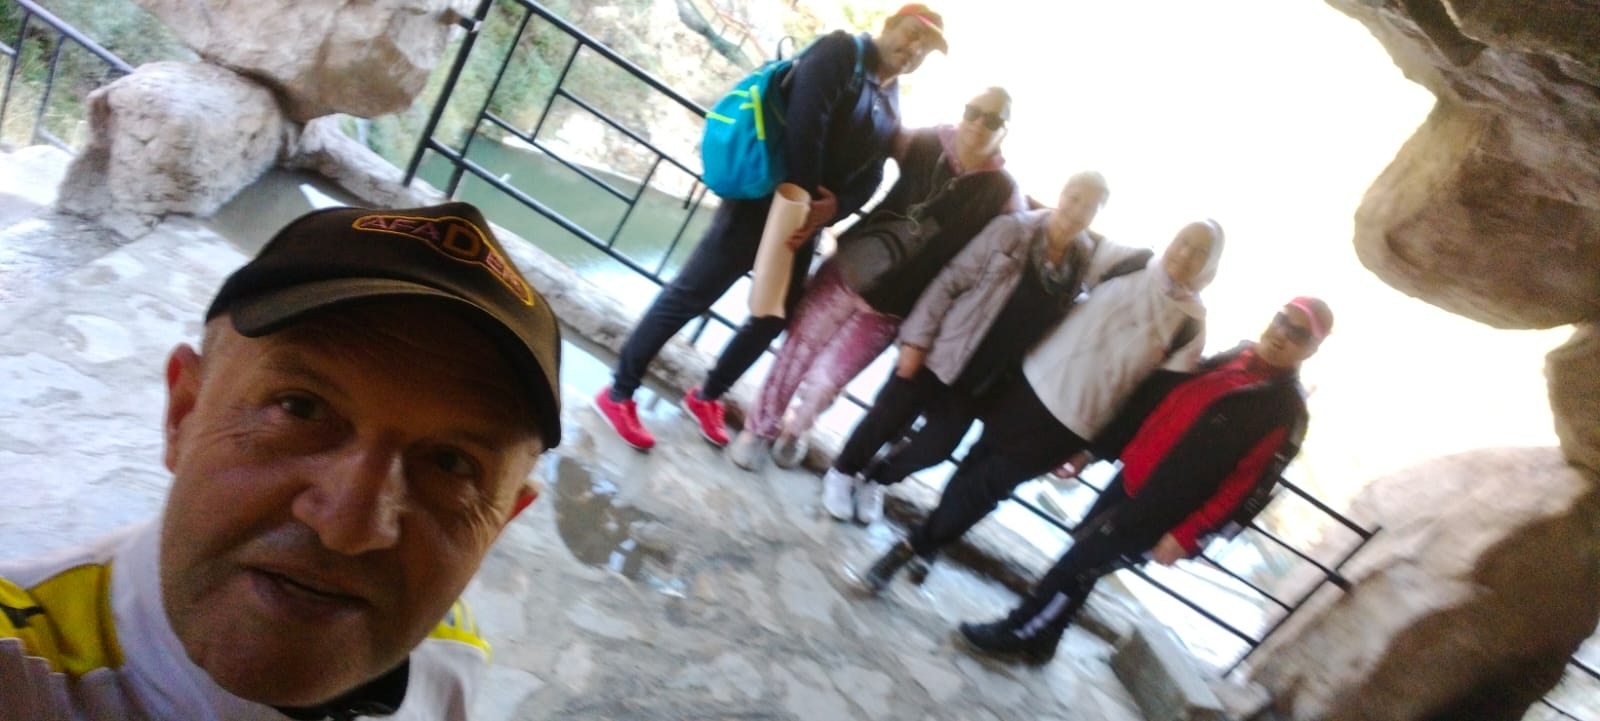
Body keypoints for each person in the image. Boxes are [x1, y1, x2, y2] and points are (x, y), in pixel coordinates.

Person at [0, 202, 561, 720]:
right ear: (183, 414)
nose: (348, 528)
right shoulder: (24, 660)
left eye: (450, 463)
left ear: (501, 521)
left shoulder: (454, 652)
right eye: (300, 408)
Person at [595, 5, 949, 452]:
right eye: (912, 34)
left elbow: (873, 173)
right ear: (888, 25)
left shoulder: (891, 98)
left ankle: (706, 395)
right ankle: (618, 392)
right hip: (761, 202)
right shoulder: (841, 52)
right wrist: (806, 202)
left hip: (806, 221)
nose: (915, 49)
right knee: (692, 294)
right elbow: (806, 123)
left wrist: (836, 207)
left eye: (925, 48)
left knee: (773, 316)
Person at [954, 297, 1333, 665]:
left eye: (1298, 333)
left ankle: (1018, 630)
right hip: (1133, 477)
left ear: (1312, 350)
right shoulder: (1237, 356)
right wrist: (1098, 451)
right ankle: (1045, 637)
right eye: (1282, 319)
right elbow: (1165, 405)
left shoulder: (1284, 412)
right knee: (1084, 559)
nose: (1282, 333)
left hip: (1159, 510)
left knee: (1075, 564)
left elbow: (1244, 490)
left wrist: (1187, 536)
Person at [859, 219, 1225, 588]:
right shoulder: (1128, 261)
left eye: (1199, 252)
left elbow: (1146, 404)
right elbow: (1060, 254)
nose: (1185, 254)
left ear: (1209, 265)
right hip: (1027, 382)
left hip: (1072, 424)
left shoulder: (1191, 328)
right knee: (976, 464)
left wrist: (1093, 452)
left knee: (989, 486)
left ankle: (911, 546)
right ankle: (932, 543)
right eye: (1184, 241)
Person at [728, 86, 1022, 472]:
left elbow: (1012, 244)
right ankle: (759, 429)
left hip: (899, 304)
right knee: (796, 353)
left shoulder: (1003, 192)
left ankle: (796, 429)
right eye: (974, 112)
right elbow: (865, 147)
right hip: (849, 268)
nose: (980, 124)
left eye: (993, 120)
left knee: (830, 378)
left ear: (1005, 131)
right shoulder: (924, 141)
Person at [817, 172, 1137, 524]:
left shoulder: (1079, 260)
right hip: (943, 349)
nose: (1077, 211)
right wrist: (916, 340)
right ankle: (843, 471)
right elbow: (951, 280)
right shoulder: (1013, 230)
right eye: (1075, 198)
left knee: (937, 447)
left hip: (985, 377)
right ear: (1062, 194)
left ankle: (877, 479)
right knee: (886, 416)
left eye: (1089, 207)